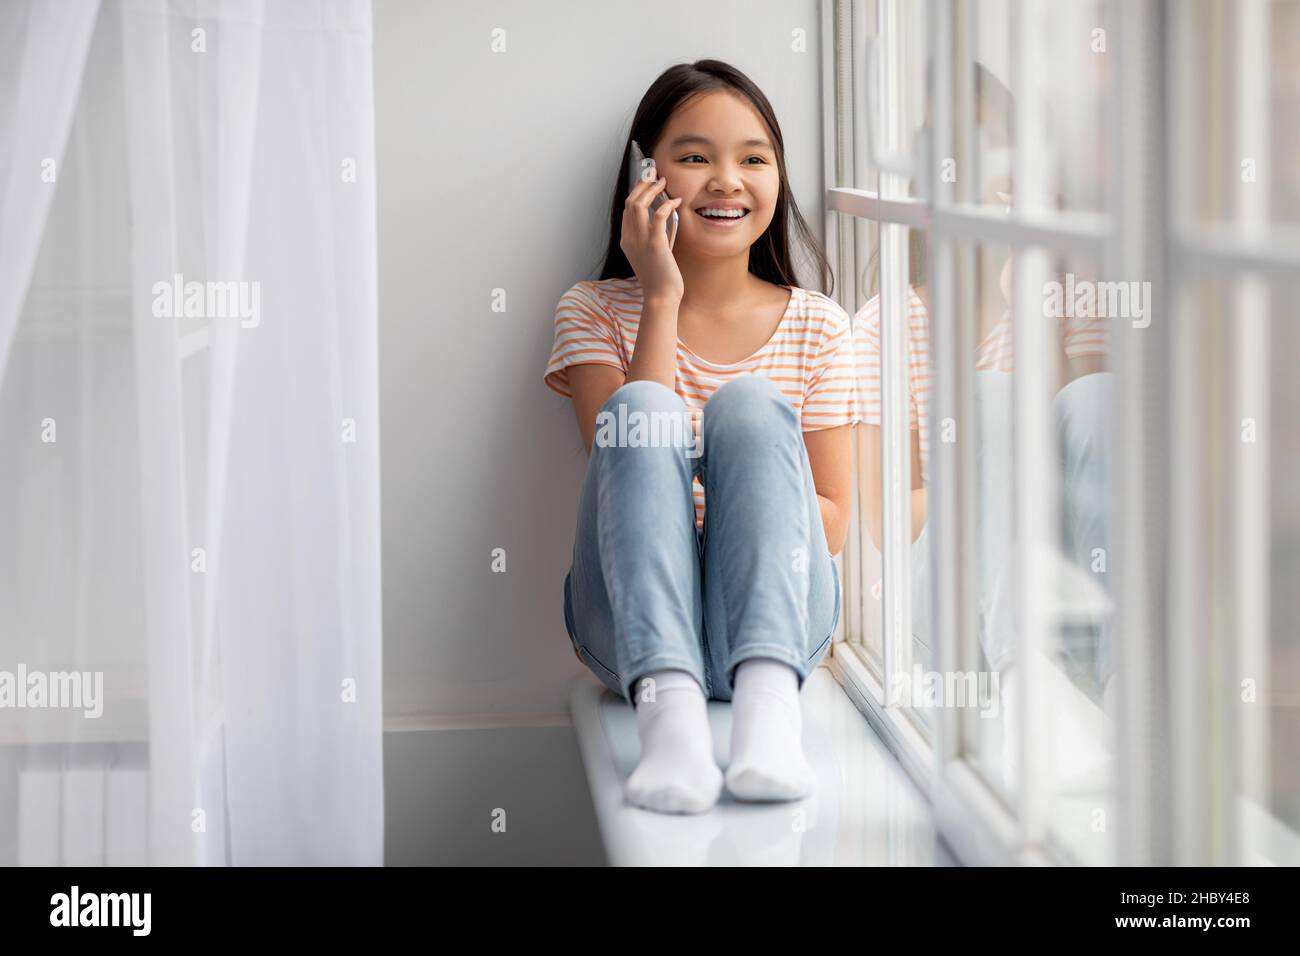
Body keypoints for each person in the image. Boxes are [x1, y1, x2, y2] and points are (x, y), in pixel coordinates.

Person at [543, 60, 861, 814]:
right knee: (642, 414)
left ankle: (768, 715)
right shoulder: (591, 310)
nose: (727, 179)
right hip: (629, 629)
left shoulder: (819, 324)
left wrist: (735, 503)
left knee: (750, 407)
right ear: (643, 177)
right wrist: (660, 293)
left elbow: (836, 522)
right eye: (694, 158)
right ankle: (672, 725)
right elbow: (621, 473)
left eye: (753, 158)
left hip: (775, 622)